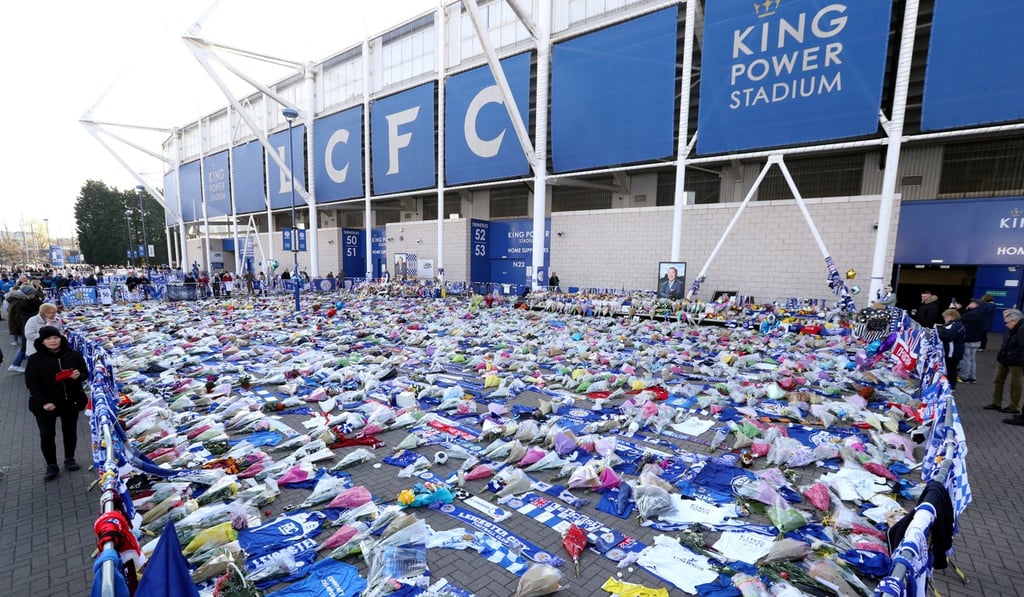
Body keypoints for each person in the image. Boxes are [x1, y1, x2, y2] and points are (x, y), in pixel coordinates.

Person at [24, 326, 89, 480]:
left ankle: (69, 458)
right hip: (46, 405)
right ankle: (51, 465)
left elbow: (85, 373)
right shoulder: (35, 359)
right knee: (47, 434)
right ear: (42, 341)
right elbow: (32, 383)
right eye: (48, 339)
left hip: (70, 400)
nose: (53, 341)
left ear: (61, 338)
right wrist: (44, 402)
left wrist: (78, 376)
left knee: (70, 431)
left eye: (55, 337)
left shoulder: (73, 355)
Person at [987, 309, 1024, 415]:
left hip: (1016, 361)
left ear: (1015, 320)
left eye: (1007, 321)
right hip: (1004, 358)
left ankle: (1014, 406)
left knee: (1015, 384)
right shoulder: (1010, 328)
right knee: (997, 380)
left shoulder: (1021, 329)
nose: (1006, 324)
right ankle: (996, 402)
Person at [8, 285, 43, 374]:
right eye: (33, 294)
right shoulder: (21, 303)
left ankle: (16, 364)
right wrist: (39, 312)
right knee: (25, 347)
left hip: (21, 326)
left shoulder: (20, 300)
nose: (34, 295)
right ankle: (16, 364)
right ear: (29, 294)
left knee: (24, 346)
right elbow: (25, 316)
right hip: (23, 326)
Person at [959, 298, 987, 383]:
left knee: (965, 358)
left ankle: (964, 377)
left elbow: (960, 317)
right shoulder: (981, 313)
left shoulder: (973, 313)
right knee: (972, 359)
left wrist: (957, 309)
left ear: (976, 305)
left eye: (972, 302)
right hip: (976, 339)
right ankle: (972, 377)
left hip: (968, 339)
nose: (970, 303)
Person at [937, 308, 966, 390]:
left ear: (951, 316)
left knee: (951, 369)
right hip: (950, 351)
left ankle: (951, 386)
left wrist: (939, 335)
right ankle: (948, 384)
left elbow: (949, 337)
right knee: (949, 368)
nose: (944, 319)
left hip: (952, 352)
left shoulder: (956, 326)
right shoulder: (952, 325)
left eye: (946, 317)